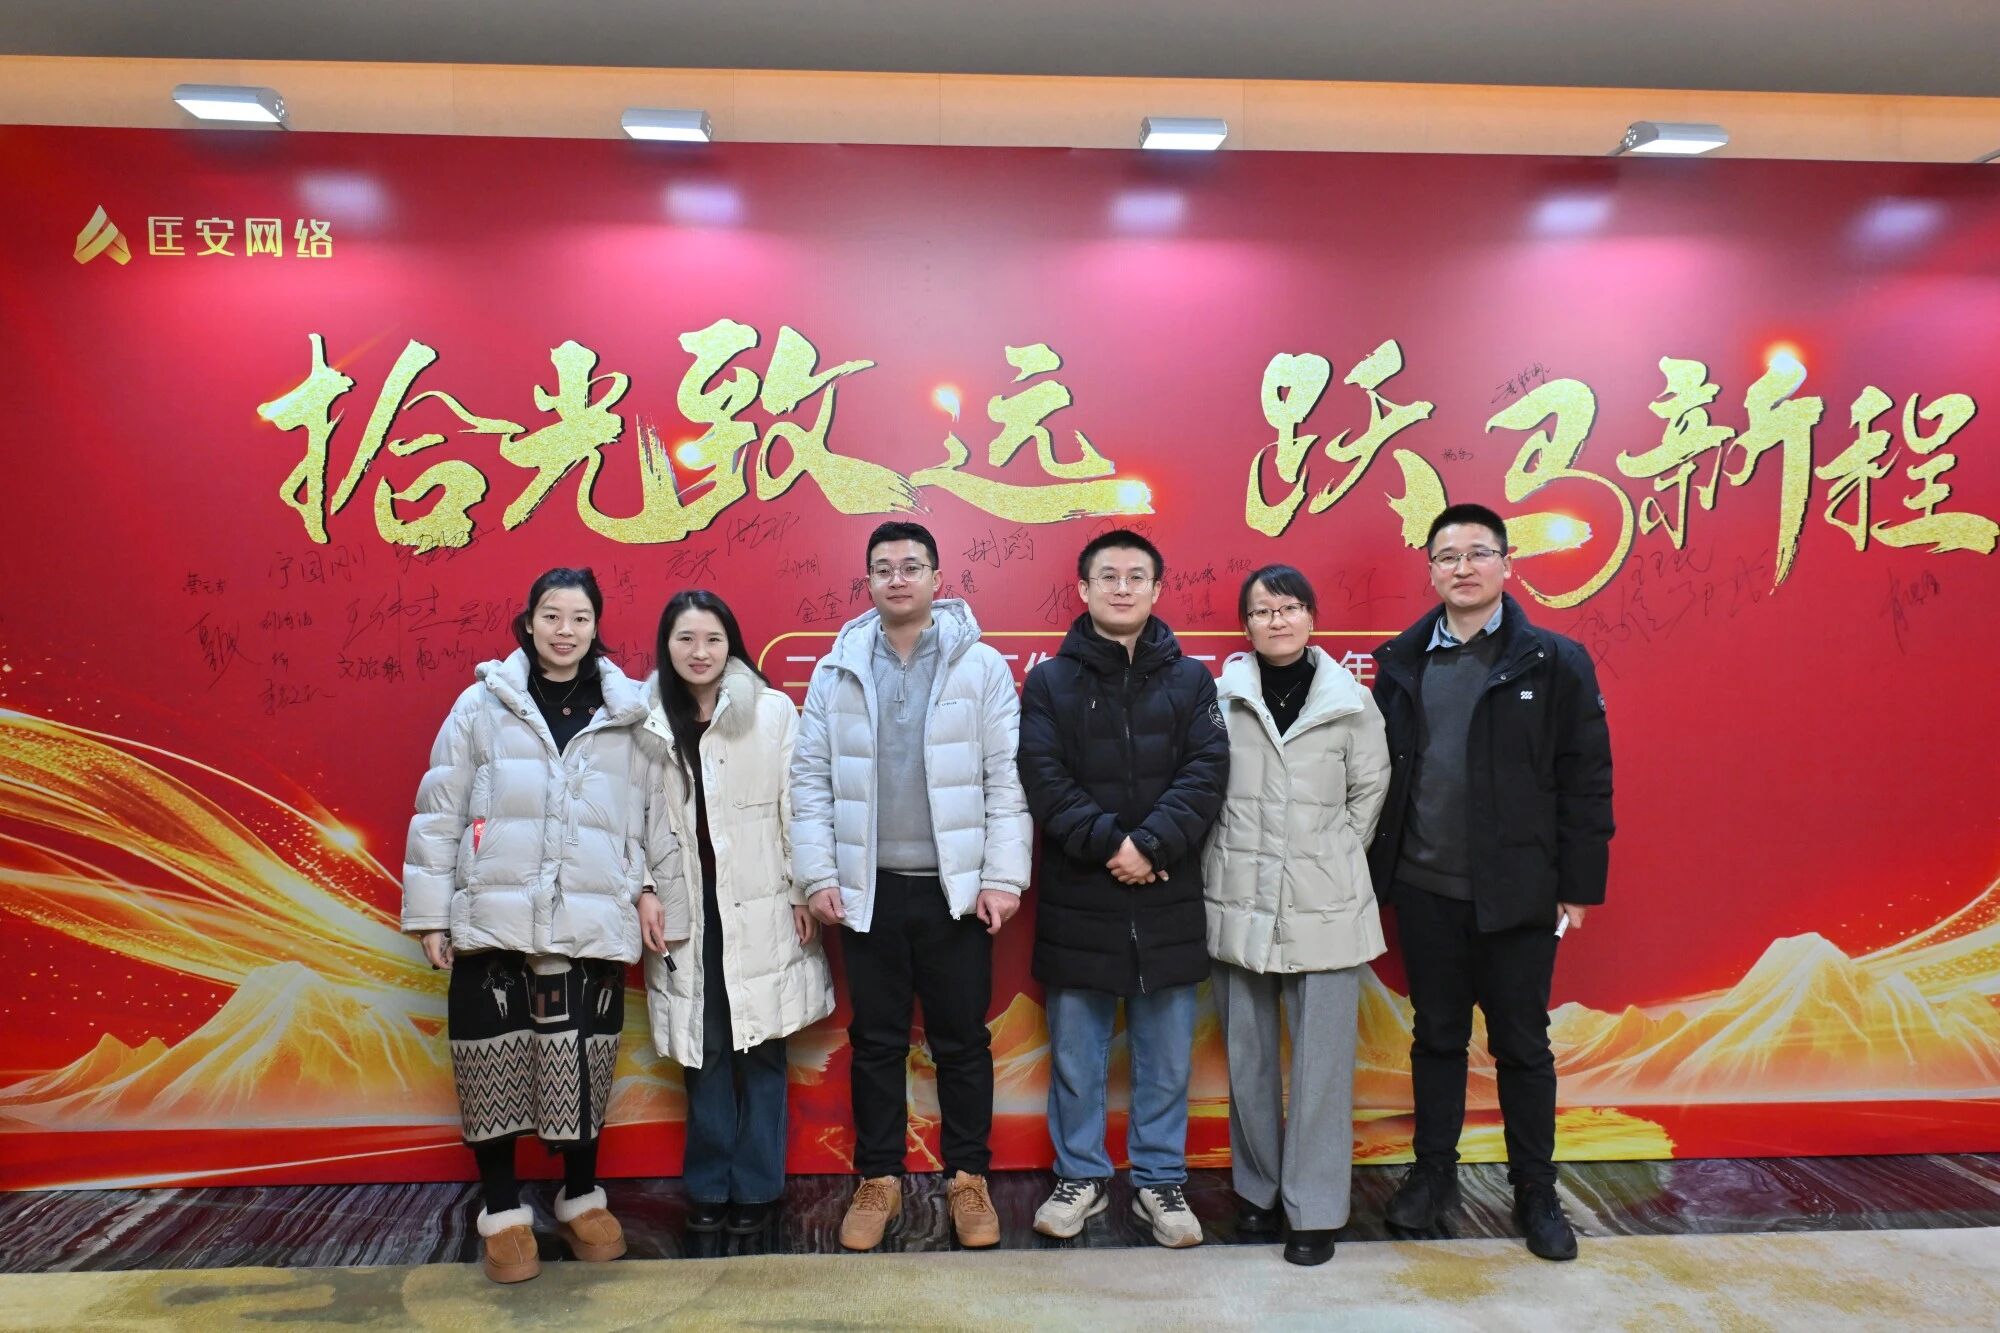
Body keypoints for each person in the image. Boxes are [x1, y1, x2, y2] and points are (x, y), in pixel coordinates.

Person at [400, 566, 677, 1284]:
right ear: (529, 622)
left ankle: (580, 1197)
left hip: (590, 911)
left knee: (582, 1062)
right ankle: (502, 1210)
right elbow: (439, 810)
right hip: (495, 915)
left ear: (596, 626)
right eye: (551, 616)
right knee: (489, 1063)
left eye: (579, 617)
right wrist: (429, 913)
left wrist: (648, 887)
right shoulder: (482, 704)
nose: (565, 630)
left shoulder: (628, 712)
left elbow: (651, 814)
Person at [1367, 503, 1614, 1262]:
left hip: (1519, 891)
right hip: (1424, 885)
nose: (1463, 568)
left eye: (1478, 553)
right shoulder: (1402, 661)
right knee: (1436, 1036)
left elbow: (1587, 776)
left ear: (1508, 564)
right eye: (1448, 556)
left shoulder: (1554, 660)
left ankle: (1535, 1189)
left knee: (1522, 1044)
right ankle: (1433, 1175)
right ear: (1431, 571)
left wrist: (1579, 884)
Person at [791, 521, 1032, 1251]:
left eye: (911, 566)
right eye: (884, 568)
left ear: (936, 577)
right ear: (868, 580)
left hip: (954, 891)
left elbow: (1005, 778)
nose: (897, 578)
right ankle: (879, 1178)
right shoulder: (838, 669)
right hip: (867, 890)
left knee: (962, 1040)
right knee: (876, 1041)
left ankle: (968, 1177)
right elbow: (810, 780)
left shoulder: (979, 666)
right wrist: (819, 875)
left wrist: (1001, 877)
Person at [1018, 528, 1229, 1249]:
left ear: (1156, 589)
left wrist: (1153, 845)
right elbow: (1043, 778)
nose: (1122, 587)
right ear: (1083, 589)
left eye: (1136, 576)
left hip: (1167, 897)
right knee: (1077, 1058)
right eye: (1107, 575)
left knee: (1165, 1058)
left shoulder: (1191, 680)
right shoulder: (1050, 682)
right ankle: (1079, 1176)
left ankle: (1159, 1181)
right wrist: (1116, 845)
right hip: (1082, 894)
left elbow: (1207, 771)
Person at [1204, 564, 1390, 1266]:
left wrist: (1325, 855)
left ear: (1312, 616)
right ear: (1246, 625)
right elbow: (1201, 788)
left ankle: (1314, 1210)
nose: (1276, 621)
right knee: (1248, 1057)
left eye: (1289, 608)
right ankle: (1257, 1194)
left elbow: (1369, 792)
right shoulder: (1222, 698)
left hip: (1327, 903)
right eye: (1262, 611)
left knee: (1322, 1069)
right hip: (1238, 897)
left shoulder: (1351, 700)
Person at [639, 590, 834, 1238]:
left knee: (763, 1048)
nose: (700, 652)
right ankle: (707, 1183)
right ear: (667, 645)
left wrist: (802, 890)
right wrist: (643, 888)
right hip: (685, 911)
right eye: (685, 638)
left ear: (732, 645)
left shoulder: (772, 711)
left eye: (713, 639)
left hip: (761, 903)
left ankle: (757, 1185)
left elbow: (797, 806)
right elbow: (631, 818)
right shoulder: (645, 718)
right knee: (705, 1052)